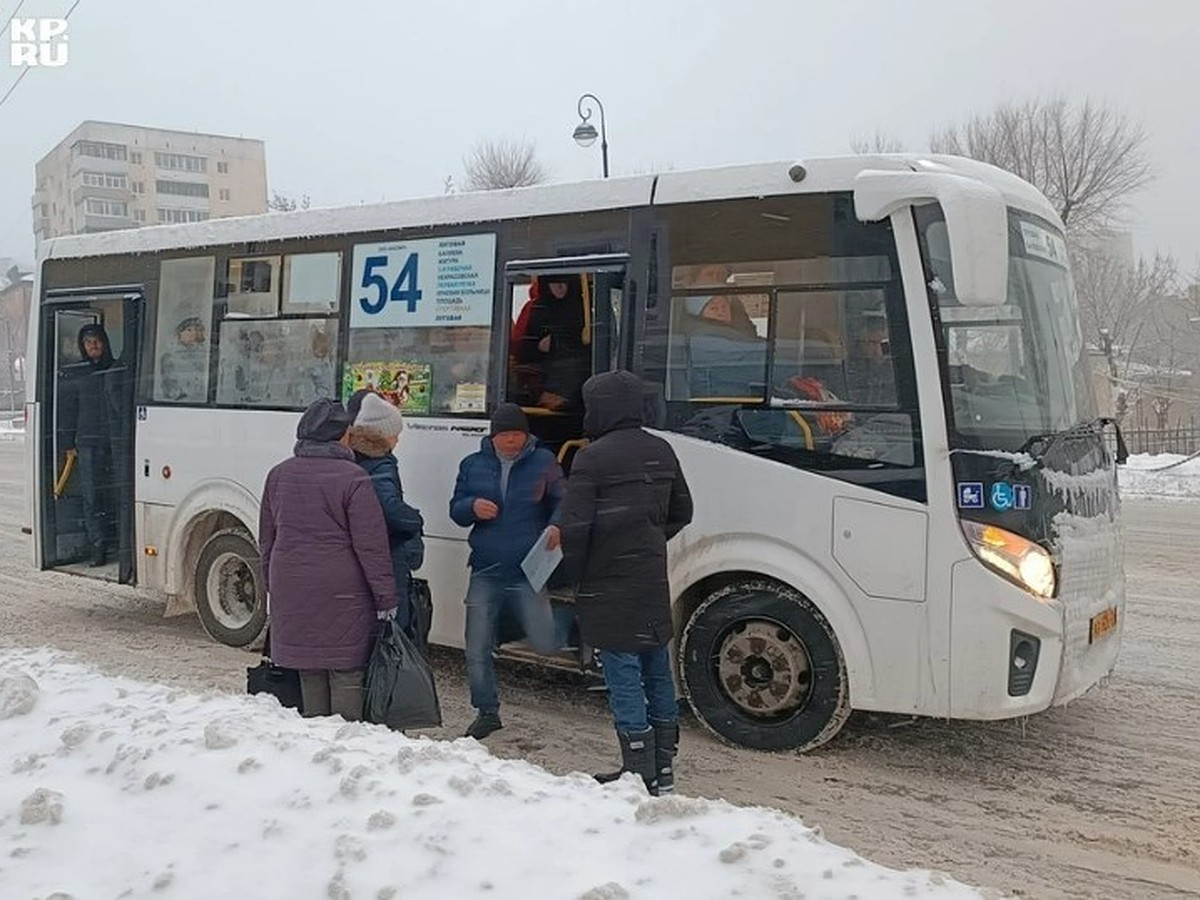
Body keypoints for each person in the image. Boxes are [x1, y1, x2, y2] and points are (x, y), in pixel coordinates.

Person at [557, 370, 694, 795]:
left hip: (607, 580)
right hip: (650, 576)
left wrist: (571, 575)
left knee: (622, 673)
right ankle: (663, 769)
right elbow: (682, 512)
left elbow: (575, 527)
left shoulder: (592, 457)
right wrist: (647, 538)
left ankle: (636, 769)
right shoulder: (661, 449)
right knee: (657, 669)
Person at [258, 397, 398, 720]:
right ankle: (343, 748)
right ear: (341, 436)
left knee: (309, 670)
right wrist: (386, 598)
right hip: (341, 591)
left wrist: (271, 585)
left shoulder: (278, 475)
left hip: (291, 585)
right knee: (346, 672)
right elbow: (371, 547)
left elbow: (268, 539)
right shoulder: (353, 478)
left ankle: (315, 747)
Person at [448, 401, 568, 739]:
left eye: (517, 435)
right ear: (494, 436)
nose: (512, 442)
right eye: (505, 435)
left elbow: (564, 499)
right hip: (486, 566)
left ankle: (570, 625)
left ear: (526, 435)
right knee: (476, 645)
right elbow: (455, 509)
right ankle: (486, 712)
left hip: (528, 568)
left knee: (544, 641)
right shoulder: (472, 465)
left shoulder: (543, 462)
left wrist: (557, 524)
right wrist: (471, 507)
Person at [347, 391, 425, 637]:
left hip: (360, 552)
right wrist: (415, 519)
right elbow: (390, 508)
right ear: (380, 434)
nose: (398, 440)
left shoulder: (351, 456)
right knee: (393, 631)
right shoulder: (381, 462)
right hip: (388, 555)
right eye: (395, 434)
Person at [59, 323, 131, 567]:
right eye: (88, 342)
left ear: (105, 342)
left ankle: (121, 544)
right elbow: (68, 412)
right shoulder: (78, 373)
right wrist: (68, 443)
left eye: (97, 340)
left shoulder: (117, 369)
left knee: (117, 494)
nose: (93, 346)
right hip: (88, 444)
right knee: (91, 498)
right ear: (83, 346)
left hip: (115, 442)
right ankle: (97, 547)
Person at [511, 275, 590, 411]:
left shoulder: (586, 309)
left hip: (580, 389)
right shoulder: (537, 310)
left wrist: (557, 343)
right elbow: (521, 351)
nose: (559, 286)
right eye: (553, 282)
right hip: (543, 390)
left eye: (564, 281)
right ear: (545, 283)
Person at [159, 315, 208, 401]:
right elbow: (169, 385)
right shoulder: (169, 356)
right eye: (189, 330)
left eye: (195, 330)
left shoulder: (200, 354)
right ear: (179, 332)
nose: (193, 334)